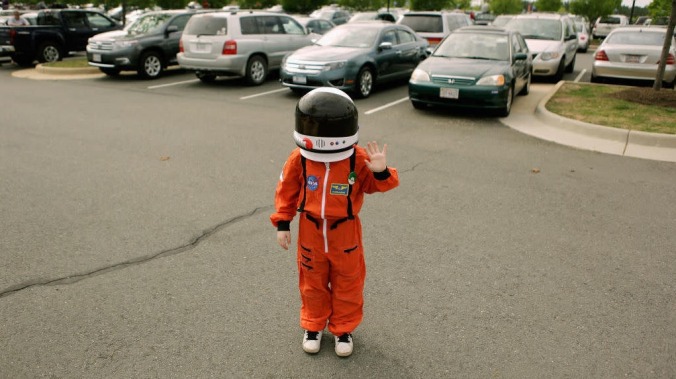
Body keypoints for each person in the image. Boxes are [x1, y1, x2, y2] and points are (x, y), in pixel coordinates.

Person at [270, 87, 399, 357]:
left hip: (345, 233)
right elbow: (286, 189)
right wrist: (283, 223)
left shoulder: (357, 158)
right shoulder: (300, 159)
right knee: (312, 283)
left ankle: (343, 330)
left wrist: (381, 171)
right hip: (311, 230)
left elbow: (382, 185)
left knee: (348, 283)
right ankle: (313, 326)